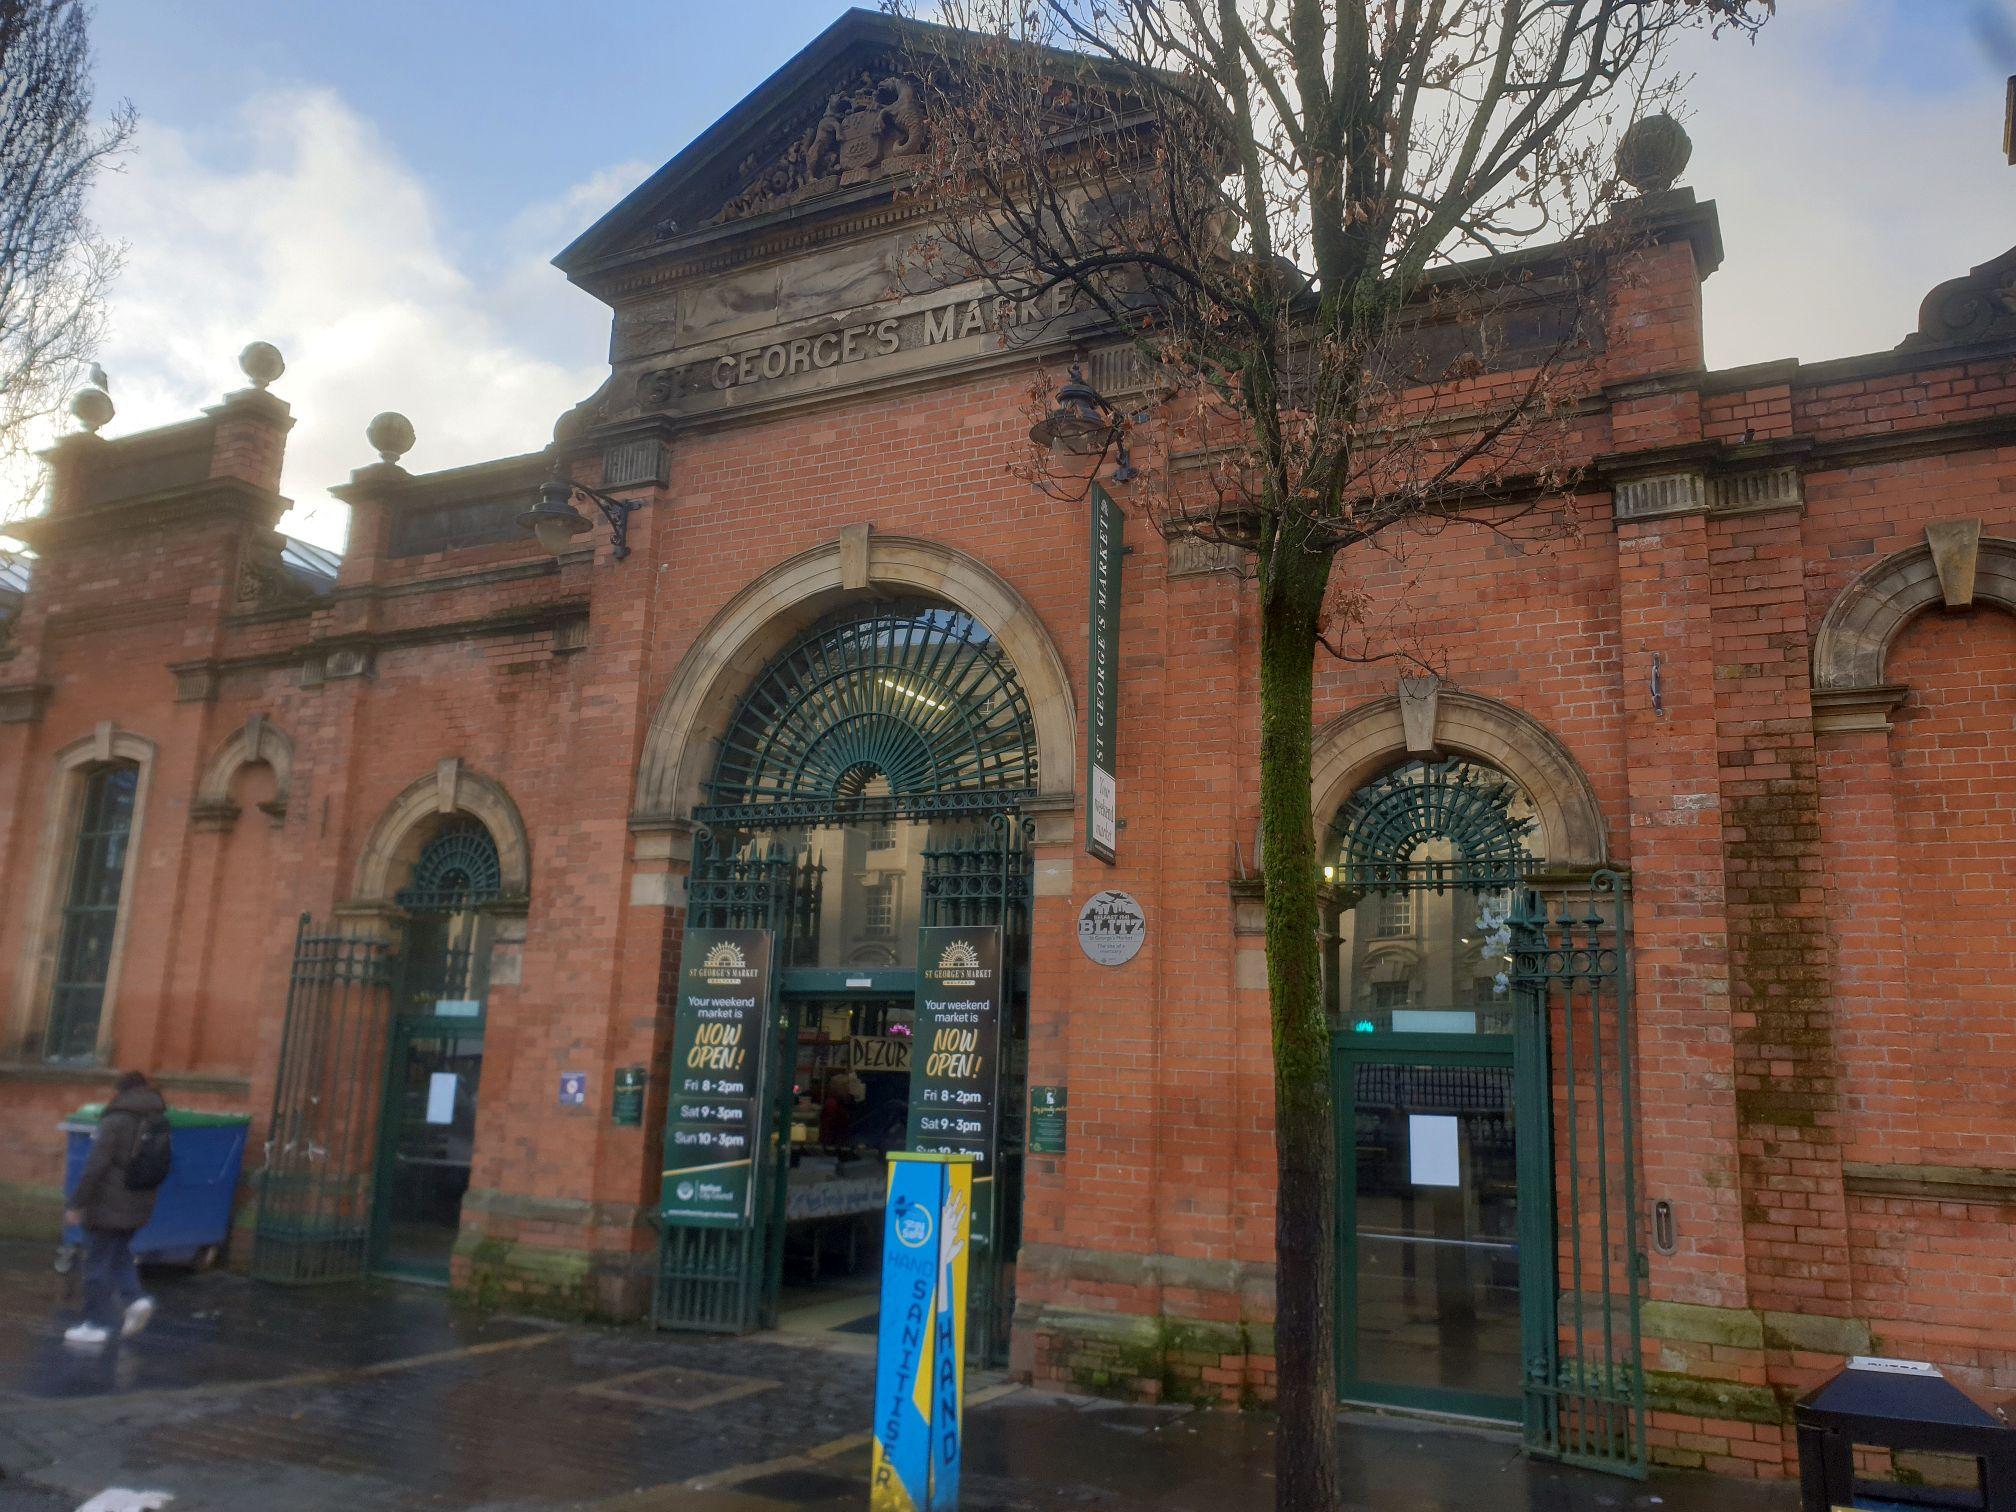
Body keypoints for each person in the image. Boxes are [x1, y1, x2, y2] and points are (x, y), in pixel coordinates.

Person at [62, 1070, 167, 1347]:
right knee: (119, 1252)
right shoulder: (157, 1118)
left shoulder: (116, 1119)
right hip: (139, 1202)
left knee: (96, 1264)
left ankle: (94, 1325)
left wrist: (77, 1203)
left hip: (108, 1203)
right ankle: (136, 1299)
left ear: (120, 1091)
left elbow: (95, 1166)